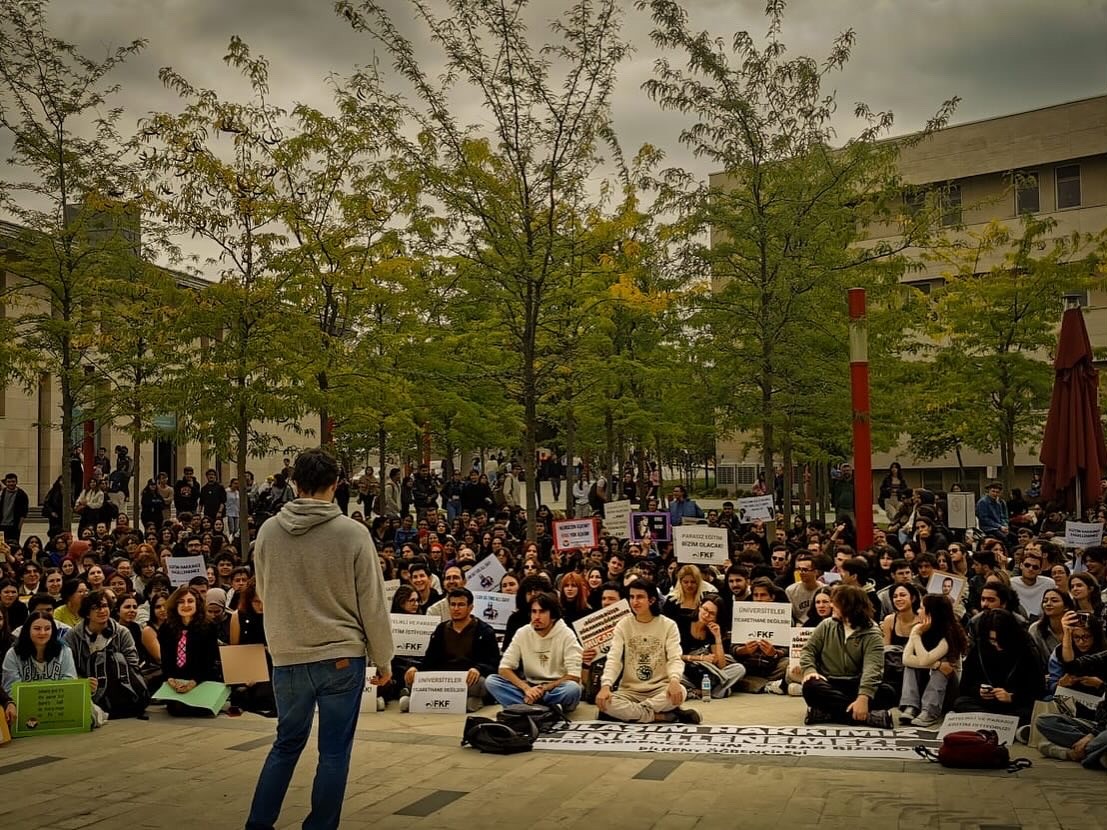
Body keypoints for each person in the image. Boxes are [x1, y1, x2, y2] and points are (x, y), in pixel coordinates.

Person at [246, 448, 393, 830]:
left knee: (285, 744)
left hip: (289, 655)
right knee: (333, 753)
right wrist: (384, 657)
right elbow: (372, 603)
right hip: (341, 654)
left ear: (294, 483)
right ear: (336, 484)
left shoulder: (268, 531)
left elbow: (263, 590)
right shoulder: (353, 533)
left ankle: (258, 824)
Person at [597, 579, 701, 724]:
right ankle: (661, 716)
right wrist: (606, 685)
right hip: (629, 691)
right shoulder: (623, 625)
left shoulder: (668, 625)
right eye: (631, 597)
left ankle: (632, 714)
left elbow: (674, 658)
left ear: (651, 600)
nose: (634, 602)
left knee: (681, 692)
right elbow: (614, 659)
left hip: (660, 689)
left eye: (639, 597)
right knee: (606, 702)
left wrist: (675, 680)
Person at [800, 584, 895, 729]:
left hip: (857, 683)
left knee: (888, 692)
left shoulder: (872, 633)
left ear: (849, 607)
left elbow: (873, 668)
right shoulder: (826, 625)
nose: (831, 606)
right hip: (830, 681)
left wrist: (863, 697)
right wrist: (810, 670)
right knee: (811, 686)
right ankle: (867, 717)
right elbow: (808, 650)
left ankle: (827, 713)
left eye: (836, 603)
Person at [404, 588, 500, 713]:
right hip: (443, 678)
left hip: (467, 679)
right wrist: (415, 668)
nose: (456, 608)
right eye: (453, 604)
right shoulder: (441, 629)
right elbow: (430, 659)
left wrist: (478, 668)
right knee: (411, 677)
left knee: (483, 683)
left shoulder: (484, 631)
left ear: (470, 607)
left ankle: (417, 698)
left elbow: (493, 663)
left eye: (461, 605)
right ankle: (461, 700)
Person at [486, 592, 583, 711]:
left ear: (553, 616)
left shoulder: (566, 634)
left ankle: (528, 707)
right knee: (492, 681)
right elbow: (504, 668)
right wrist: (526, 689)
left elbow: (574, 676)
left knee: (572, 689)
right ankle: (548, 709)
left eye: (542, 612)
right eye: (534, 611)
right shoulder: (523, 632)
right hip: (529, 686)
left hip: (555, 688)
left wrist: (545, 688)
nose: (537, 617)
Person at [65, 589, 147, 720]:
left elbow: (133, 664)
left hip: (119, 686)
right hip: (88, 687)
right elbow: (68, 668)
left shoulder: (122, 632)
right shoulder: (73, 636)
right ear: (86, 613)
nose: (101, 611)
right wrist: (82, 681)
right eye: (95, 608)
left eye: (104, 606)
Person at [953, 608, 1043, 725]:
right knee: (960, 703)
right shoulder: (980, 649)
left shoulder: (1026, 651)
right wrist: (979, 691)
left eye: (1002, 640)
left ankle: (996, 721)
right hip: (986, 704)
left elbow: (1037, 690)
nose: (998, 645)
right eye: (993, 640)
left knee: (1033, 713)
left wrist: (1012, 697)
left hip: (1014, 704)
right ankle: (1001, 722)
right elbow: (965, 685)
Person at [899, 594, 968, 728]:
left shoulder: (949, 634)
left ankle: (930, 711)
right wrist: (937, 665)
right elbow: (905, 659)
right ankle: (911, 706)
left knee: (942, 668)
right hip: (926, 681)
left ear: (932, 613)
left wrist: (916, 637)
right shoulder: (918, 628)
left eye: (922, 608)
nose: (918, 611)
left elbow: (925, 660)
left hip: (948, 688)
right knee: (912, 666)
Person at [680, 594, 745, 699]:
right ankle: (715, 690)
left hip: (707, 673)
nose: (706, 615)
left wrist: (717, 637)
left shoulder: (711, 630)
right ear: (699, 607)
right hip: (685, 668)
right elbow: (672, 656)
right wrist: (700, 658)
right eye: (705, 609)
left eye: (712, 614)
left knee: (739, 669)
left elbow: (721, 665)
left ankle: (699, 691)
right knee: (673, 674)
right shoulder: (682, 623)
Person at [1, 611, 77, 694]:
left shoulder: (65, 651)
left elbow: (70, 683)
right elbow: (10, 689)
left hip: (57, 702)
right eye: (37, 628)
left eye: (47, 628)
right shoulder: (13, 654)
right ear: (27, 630)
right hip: (24, 704)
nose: (42, 633)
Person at [0, 473, 30, 545]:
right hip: (1, 524)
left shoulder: (22, 494)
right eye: (9, 482)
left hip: (14, 526)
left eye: (13, 481)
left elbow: (24, 512)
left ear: (16, 482)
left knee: (13, 545)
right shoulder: (2, 493)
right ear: (6, 482)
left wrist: (19, 526)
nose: (11, 484)